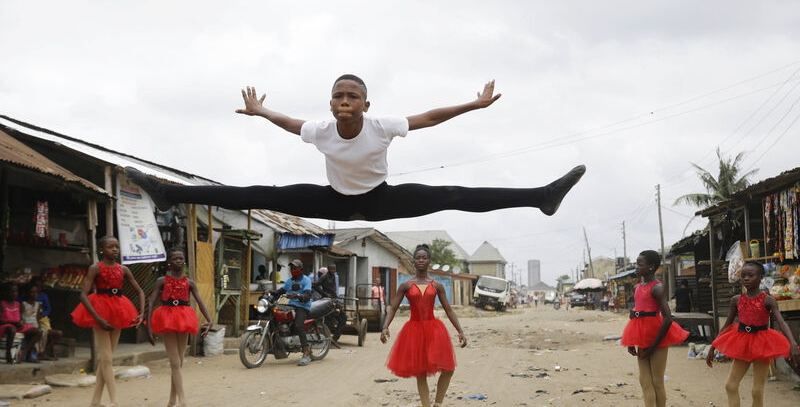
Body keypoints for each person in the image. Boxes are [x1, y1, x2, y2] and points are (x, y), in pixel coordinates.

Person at [125, 76, 585, 222]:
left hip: (381, 200)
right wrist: (262, 114)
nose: (344, 101)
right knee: (258, 192)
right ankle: (171, 194)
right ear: (331, 103)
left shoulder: (383, 125)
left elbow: (430, 117)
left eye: (352, 97)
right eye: (337, 96)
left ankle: (541, 196)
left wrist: (476, 104)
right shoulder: (322, 129)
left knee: (451, 194)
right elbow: (289, 123)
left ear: (366, 104)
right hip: (332, 201)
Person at [381, 244, 467, 407]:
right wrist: (385, 327)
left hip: (434, 330)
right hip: (413, 330)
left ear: (429, 261)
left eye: (424, 257)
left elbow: (448, 309)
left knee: (448, 369)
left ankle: (438, 404)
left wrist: (460, 331)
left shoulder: (437, 285)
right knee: (421, 372)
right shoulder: (406, 285)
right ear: (413, 261)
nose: (421, 260)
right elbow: (393, 307)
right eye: (418, 258)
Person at [706, 261, 799, 407]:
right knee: (730, 385)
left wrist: (793, 343)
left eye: (751, 275)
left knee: (757, 390)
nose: (746, 278)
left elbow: (782, 322)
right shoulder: (736, 300)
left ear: (761, 277)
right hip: (742, 343)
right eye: (743, 276)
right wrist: (713, 346)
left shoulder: (768, 300)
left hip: (762, 344)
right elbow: (727, 325)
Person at [71, 236, 146, 407]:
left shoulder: (124, 269)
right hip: (101, 311)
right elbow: (83, 295)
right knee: (106, 358)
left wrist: (141, 314)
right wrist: (97, 318)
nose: (115, 249)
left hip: (119, 310)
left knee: (107, 359)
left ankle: (95, 402)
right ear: (101, 250)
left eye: (117, 246)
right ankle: (114, 401)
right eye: (110, 246)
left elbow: (140, 291)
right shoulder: (95, 268)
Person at [621, 250, 689, 407]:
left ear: (651, 267)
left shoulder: (657, 287)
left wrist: (653, 347)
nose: (636, 268)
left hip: (657, 337)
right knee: (644, 380)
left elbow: (667, 317)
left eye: (640, 264)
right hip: (641, 335)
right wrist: (631, 341)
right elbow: (637, 315)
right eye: (636, 264)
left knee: (657, 381)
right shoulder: (638, 287)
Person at [147, 248, 213, 407]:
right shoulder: (161, 281)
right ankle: (183, 401)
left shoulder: (190, 282)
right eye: (175, 258)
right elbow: (150, 302)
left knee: (179, 362)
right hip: (167, 319)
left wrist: (209, 320)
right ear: (169, 262)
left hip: (184, 319)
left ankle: (171, 400)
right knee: (175, 362)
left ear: (184, 261)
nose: (178, 261)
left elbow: (199, 301)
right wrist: (149, 327)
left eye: (181, 258)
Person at [273, 259, 313, 365]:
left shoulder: (306, 280)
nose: (293, 270)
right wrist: (271, 293)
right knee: (275, 317)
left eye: (295, 268)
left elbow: (308, 295)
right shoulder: (290, 281)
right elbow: (281, 290)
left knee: (299, 325)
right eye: (292, 268)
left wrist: (299, 296)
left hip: (303, 306)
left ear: (301, 269)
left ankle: (306, 353)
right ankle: (278, 346)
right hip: (291, 305)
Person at [1, 283, 42, 364]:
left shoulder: (18, 304)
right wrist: (13, 322)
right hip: (4, 327)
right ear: (5, 293)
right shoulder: (2, 304)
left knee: (38, 331)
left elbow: (19, 318)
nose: (14, 293)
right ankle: (8, 354)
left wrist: (20, 323)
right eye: (12, 291)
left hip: (16, 326)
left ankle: (24, 354)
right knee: (11, 330)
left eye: (16, 291)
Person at [21, 284, 62, 361]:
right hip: (27, 327)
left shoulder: (38, 305)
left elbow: (37, 319)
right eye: (32, 292)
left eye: (36, 292)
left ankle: (42, 353)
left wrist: (39, 326)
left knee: (58, 333)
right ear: (27, 293)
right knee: (38, 332)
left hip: (37, 327)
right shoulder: (23, 304)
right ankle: (26, 354)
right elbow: (21, 319)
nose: (34, 294)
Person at [313, 264, 346, 349]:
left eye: (334, 269)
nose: (332, 270)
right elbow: (315, 285)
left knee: (342, 318)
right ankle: (329, 340)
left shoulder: (334, 276)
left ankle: (334, 339)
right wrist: (324, 294)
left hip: (334, 300)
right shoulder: (324, 277)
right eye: (331, 269)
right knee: (331, 319)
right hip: (328, 301)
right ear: (328, 269)